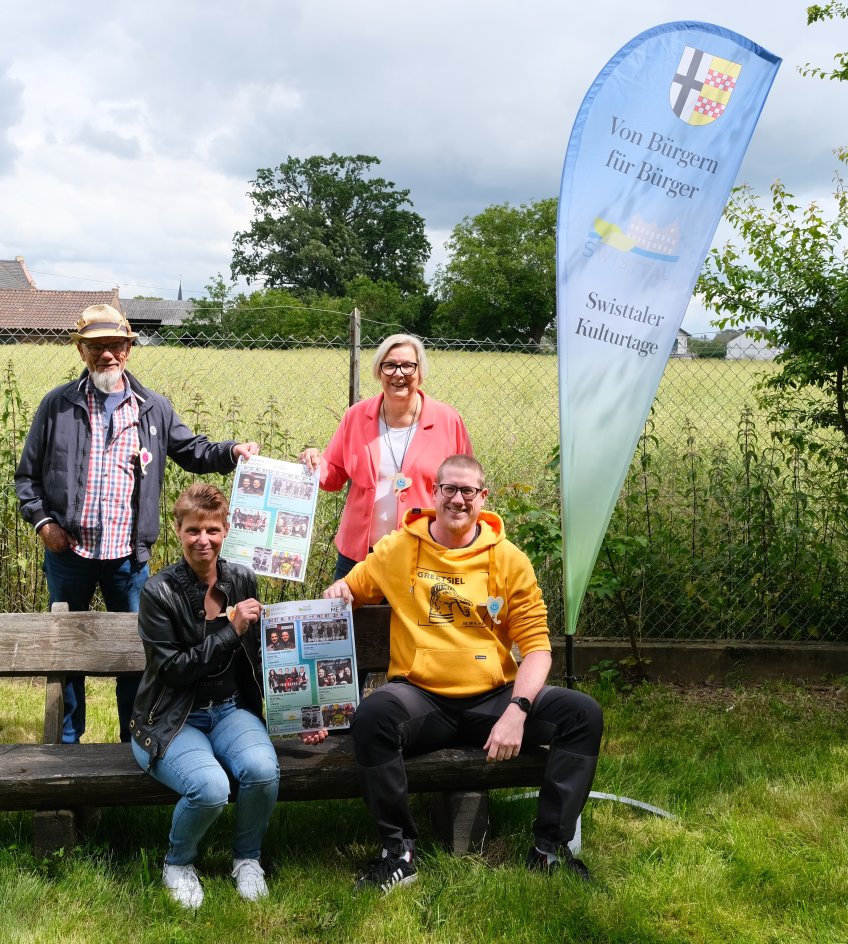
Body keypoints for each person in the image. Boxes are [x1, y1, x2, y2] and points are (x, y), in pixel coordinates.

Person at [324, 454, 603, 892]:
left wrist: (518, 709)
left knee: (582, 714)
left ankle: (549, 850)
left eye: (467, 491)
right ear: (433, 494)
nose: (457, 499)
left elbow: (537, 649)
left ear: (482, 497)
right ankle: (399, 855)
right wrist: (342, 589)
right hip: (422, 700)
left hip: (492, 701)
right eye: (448, 489)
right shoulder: (398, 549)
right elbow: (353, 587)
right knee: (373, 715)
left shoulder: (510, 560)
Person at [15, 304, 259, 744]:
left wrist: (231, 452)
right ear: (82, 351)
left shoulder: (153, 409)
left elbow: (193, 451)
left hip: (129, 560)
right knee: (68, 651)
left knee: (136, 652)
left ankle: (136, 738)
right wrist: (44, 523)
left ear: (129, 349)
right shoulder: (57, 405)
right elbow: (27, 476)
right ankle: (67, 740)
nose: (107, 355)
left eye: (115, 345)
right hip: (70, 554)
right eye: (96, 346)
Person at [129, 483, 326, 908]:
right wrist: (228, 630)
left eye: (213, 530)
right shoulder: (157, 592)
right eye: (194, 530)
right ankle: (178, 862)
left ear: (226, 530)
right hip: (171, 718)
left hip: (230, 710)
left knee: (261, 768)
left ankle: (247, 858)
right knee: (210, 787)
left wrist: (301, 714)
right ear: (177, 530)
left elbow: (261, 659)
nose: (204, 540)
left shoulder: (241, 579)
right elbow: (173, 670)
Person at [299, 334, 473, 580]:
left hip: (425, 553)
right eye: (389, 365)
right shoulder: (356, 416)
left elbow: (468, 487)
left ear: (420, 372)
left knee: (416, 620)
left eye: (407, 366)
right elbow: (334, 474)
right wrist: (315, 463)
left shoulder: (448, 420)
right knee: (355, 620)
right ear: (379, 372)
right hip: (358, 557)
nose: (398, 374)